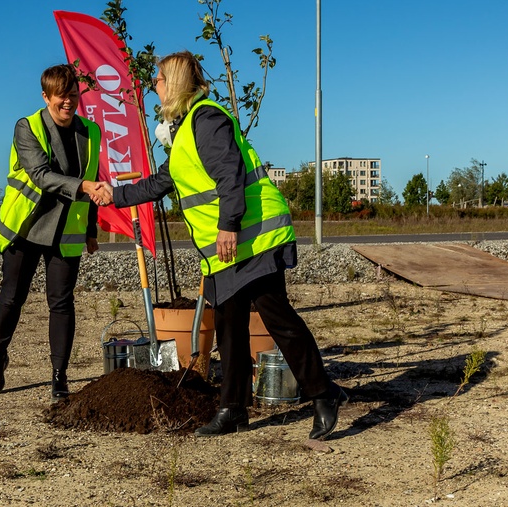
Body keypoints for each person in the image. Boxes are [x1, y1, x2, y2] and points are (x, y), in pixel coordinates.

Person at [96, 51, 348, 440]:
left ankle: (321, 393)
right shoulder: (183, 133)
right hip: (229, 249)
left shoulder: (207, 119)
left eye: (159, 80)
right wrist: (114, 195)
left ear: (175, 82)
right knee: (229, 327)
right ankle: (233, 409)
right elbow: (162, 183)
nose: (154, 87)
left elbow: (230, 175)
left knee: (277, 318)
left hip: (252, 238)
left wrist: (228, 226)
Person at [0, 64, 106, 402]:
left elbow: (93, 181)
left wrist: (92, 229)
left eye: (73, 94)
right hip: (26, 227)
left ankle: (59, 376)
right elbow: (40, 174)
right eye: (61, 96)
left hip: (66, 229)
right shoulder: (27, 127)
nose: (68, 102)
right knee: (12, 297)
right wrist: (83, 185)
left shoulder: (91, 132)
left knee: (62, 303)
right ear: (46, 96)